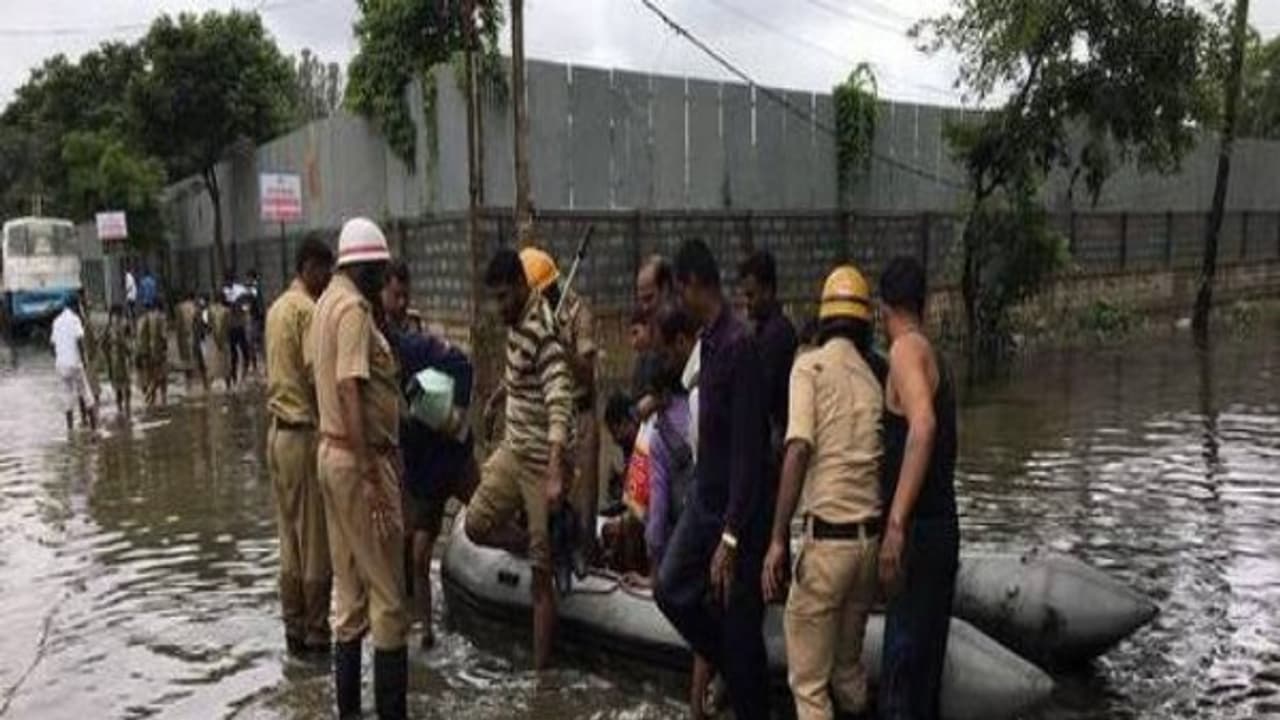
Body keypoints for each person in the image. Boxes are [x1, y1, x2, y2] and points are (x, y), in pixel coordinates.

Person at [762, 266, 885, 720]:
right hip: (868, 548)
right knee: (848, 670)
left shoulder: (808, 368)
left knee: (809, 686)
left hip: (828, 545)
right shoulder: (873, 382)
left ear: (824, 317)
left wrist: (777, 538)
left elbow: (797, 451)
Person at [655, 238, 770, 720]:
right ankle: (735, 670)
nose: (678, 305)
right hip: (705, 496)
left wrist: (731, 534)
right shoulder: (708, 342)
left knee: (742, 626)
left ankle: (747, 692)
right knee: (669, 588)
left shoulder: (740, 347)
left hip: (733, 507)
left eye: (679, 293)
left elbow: (750, 451)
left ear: (693, 284)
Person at [309, 217, 407, 719]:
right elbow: (350, 385)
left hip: (332, 456)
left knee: (349, 604)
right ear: (364, 267)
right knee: (390, 601)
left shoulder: (324, 302)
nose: (386, 276)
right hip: (357, 461)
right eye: (381, 268)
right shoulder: (351, 308)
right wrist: (371, 477)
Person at [464, 248, 575, 671]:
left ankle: (541, 678)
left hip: (539, 459)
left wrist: (553, 471)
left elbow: (560, 403)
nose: (499, 307)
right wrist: (495, 398)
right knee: (475, 523)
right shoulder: (516, 326)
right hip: (514, 448)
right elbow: (517, 376)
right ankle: (527, 545)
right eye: (494, 298)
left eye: (505, 297)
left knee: (542, 579)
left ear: (523, 288)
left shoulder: (542, 333)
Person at [381, 260, 478, 651]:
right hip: (419, 467)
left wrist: (448, 408)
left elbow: (463, 367)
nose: (400, 303)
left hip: (449, 457)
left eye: (405, 296)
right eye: (395, 295)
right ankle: (425, 630)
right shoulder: (376, 346)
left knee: (488, 511)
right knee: (419, 554)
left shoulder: (415, 346)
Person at [876, 256, 959, 720]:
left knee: (902, 676)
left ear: (883, 308)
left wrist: (895, 524)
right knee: (922, 678)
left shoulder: (905, 350)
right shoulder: (933, 354)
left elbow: (923, 428)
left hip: (919, 533)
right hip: (941, 526)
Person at [266, 238, 336, 657]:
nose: (328, 280)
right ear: (310, 267)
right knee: (315, 541)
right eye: (325, 271)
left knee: (288, 539)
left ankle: (293, 630)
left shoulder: (275, 309)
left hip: (276, 435)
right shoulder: (307, 311)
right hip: (301, 431)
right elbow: (315, 374)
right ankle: (316, 633)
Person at [520, 247, 600, 565]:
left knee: (583, 501)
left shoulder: (580, 314)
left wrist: (559, 343)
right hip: (547, 419)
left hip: (579, 415)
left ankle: (585, 558)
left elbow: (586, 372)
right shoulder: (530, 317)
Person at [739, 250, 799, 505]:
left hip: (775, 446)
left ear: (768, 290)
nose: (747, 302)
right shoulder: (764, 332)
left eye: (751, 295)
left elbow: (763, 395)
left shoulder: (777, 335)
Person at [50, 296, 97, 431]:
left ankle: (70, 430)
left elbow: (52, 346)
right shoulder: (75, 319)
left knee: (67, 397)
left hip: (61, 365)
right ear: (75, 306)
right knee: (87, 395)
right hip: (74, 363)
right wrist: (84, 360)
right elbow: (80, 341)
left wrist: (58, 357)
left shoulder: (56, 321)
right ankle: (94, 430)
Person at [603, 391, 639, 509]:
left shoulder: (644, 445)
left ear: (624, 422)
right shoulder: (628, 448)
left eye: (615, 432)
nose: (615, 439)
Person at [136, 298, 168, 407]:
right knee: (161, 376)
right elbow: (163, 336)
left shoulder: (143, 318)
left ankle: (152, 401)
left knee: (150, 376)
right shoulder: (161, 317)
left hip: (144, 352)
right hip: (157, 351)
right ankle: (161, 399)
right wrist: (164, 348)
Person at [103, 304, 133, 417]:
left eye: (117, 315)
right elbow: (104, 344)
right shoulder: (110, 328)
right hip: (116, 359)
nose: (116, 318)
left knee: (125, 386)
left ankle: (126, 409)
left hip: (121, 359)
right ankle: (122, 409)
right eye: (114, 315)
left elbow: (129, 342)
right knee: (119, 387)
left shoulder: (124, 325)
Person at [175, 292, 205, 392]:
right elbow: (199, 324)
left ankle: (189, 386)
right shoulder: (196, 308)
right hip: (194, 336)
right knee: (198, 360)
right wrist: (201, 335)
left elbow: (178, 326)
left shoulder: (179, 308)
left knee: (186, 361)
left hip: (183, 337)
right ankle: (203, 385)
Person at [205, 296, 234, 392]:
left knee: (212, 363)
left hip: (213, 339)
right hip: (224, 339)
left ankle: (208, 386)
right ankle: (228, 385)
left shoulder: (210, 310)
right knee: (226, 363)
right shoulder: (227, 311)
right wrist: (222, 339)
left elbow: (209, 325)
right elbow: (228, 326)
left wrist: (216, 338)